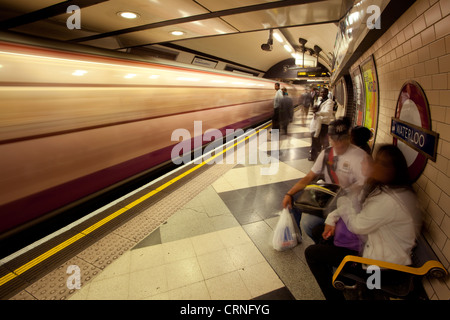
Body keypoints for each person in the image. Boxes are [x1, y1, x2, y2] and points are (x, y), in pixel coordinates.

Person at [304, 144, 422, 300]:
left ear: (395, 170)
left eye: (383, 164)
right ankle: (342, 276)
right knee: (319, 231)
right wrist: (332, 219)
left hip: (382, 270)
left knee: (312, 253)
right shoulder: (388, 189)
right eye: (377, 161)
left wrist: (345, 201)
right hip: (374, 248)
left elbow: (357, 225)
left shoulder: (389, 200)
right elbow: (357, 205)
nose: (377, 166)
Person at [282, 117, 368, 241]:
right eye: (335, 139)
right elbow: (309, 177)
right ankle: (295, 236)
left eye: (342, 139)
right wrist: (289, 194)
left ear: (349, 137)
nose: (339, 143)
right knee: (293, 199)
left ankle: (323, 243)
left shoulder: (360, 157)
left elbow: (362, 192)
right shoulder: (327, 153)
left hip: (346, 202)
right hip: (328, 195)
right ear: (329, 138)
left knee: (309, 224)